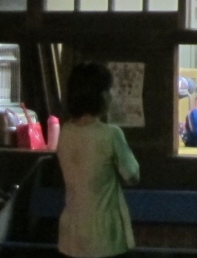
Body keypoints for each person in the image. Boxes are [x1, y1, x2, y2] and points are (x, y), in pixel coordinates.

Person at [57, 62, 140, 258]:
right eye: (109, 90)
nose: (111, 95)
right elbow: (132, 175)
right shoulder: (111, 135)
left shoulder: (65, 132)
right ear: (100, 95)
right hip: (104, 237)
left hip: (70, 234)